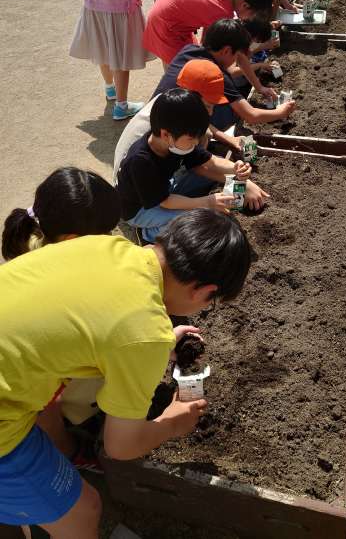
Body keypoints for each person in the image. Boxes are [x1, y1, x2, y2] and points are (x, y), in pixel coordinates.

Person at [0, 209, 251, 536]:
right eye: (210, 302)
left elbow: (90, 321)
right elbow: (120, 447)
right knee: (84, 510)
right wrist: (172, 422)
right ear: (203, 291)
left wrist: (152, 345)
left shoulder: (108, 246)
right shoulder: (144, 334)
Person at [1, 168, 122, 475]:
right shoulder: (50, 284)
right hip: (25, 394)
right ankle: (68, 448)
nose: (111, 239)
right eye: (106, 233)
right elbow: (43, 403)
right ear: (73, 239)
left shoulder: (41, 237)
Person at [116, 89, 268, 242]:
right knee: (195, 224)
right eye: (191, 139)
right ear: (166, 135)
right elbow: (166, 201)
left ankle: (212, 202)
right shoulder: (141, 161)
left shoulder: (175, 142)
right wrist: (207, 202)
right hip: (141, 209)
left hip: (163, 189)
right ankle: (148, 233)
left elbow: (211, 162)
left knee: (206, 175)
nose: (196, 142)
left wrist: (235, 169)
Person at [149, 18, 296, 132]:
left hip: (152, 112)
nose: (236, 61)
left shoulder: (190, 49)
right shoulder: (214, 74)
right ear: (226, 51)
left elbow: (241, 59)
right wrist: (280, 112)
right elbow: (251, 115)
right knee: (230, 112)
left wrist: (259, 87)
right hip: (169, 129)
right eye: (235, 56)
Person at [142, 0, 273, 67]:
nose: (250, 19)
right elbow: (238, 55)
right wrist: (259, 86)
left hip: (169, 10)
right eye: (253, 15)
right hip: (165, 24)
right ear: (245, 5)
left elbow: (208, 27)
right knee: (184, 70)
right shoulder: (222, 12)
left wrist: (203, 49)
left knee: (191, 63)